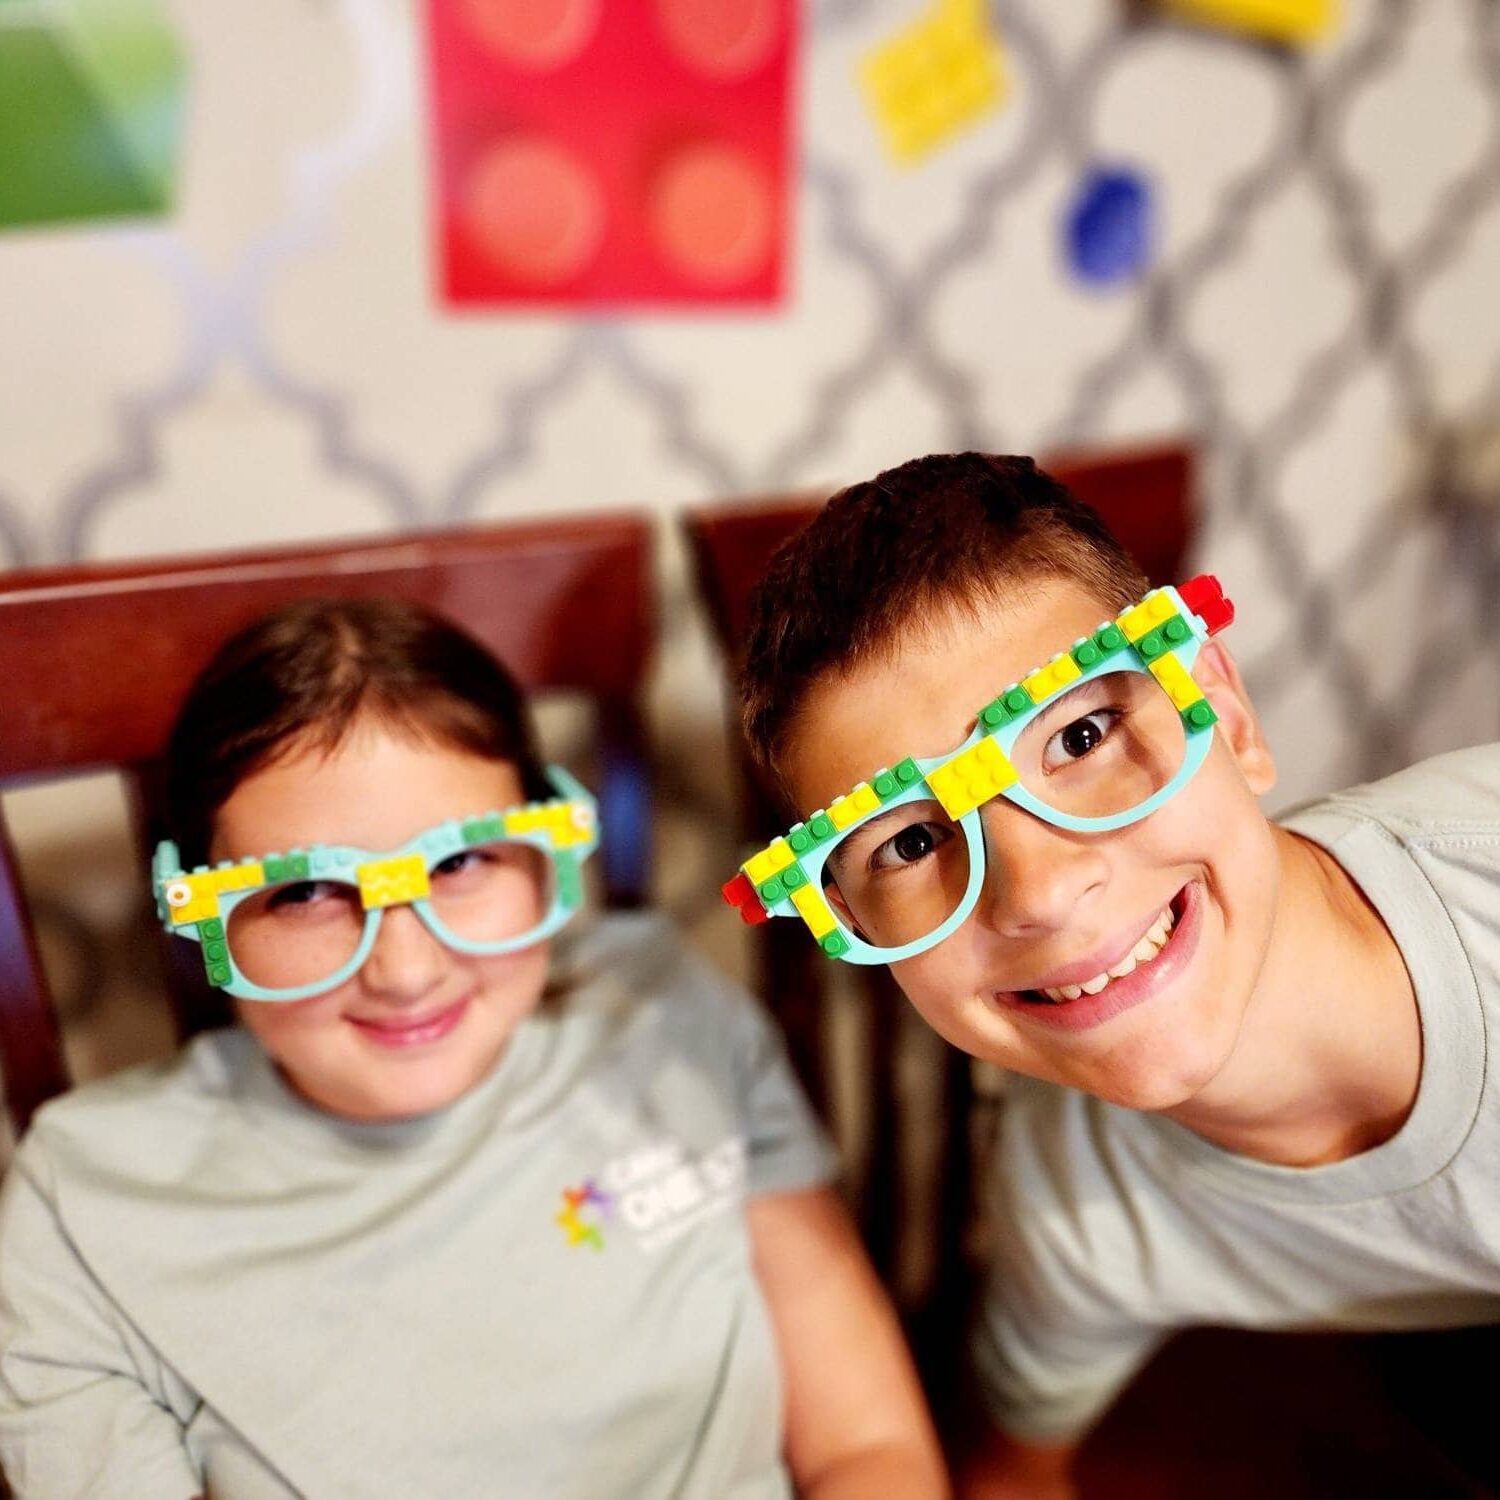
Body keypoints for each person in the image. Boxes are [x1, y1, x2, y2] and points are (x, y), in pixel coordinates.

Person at [0, 597, 947, 1499]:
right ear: (197, 912)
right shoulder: (83, 1201)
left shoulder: (667, 1014)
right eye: (305, 893)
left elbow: (867, 1447)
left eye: (460, 864)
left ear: (543, 856)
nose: (407, 971)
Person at [724, 452, 1500, 1497]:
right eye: (907, 845)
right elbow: (1016, 1469)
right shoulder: (1070, 1201)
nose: (1036, 891)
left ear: (1224, 714)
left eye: (1080, 735)